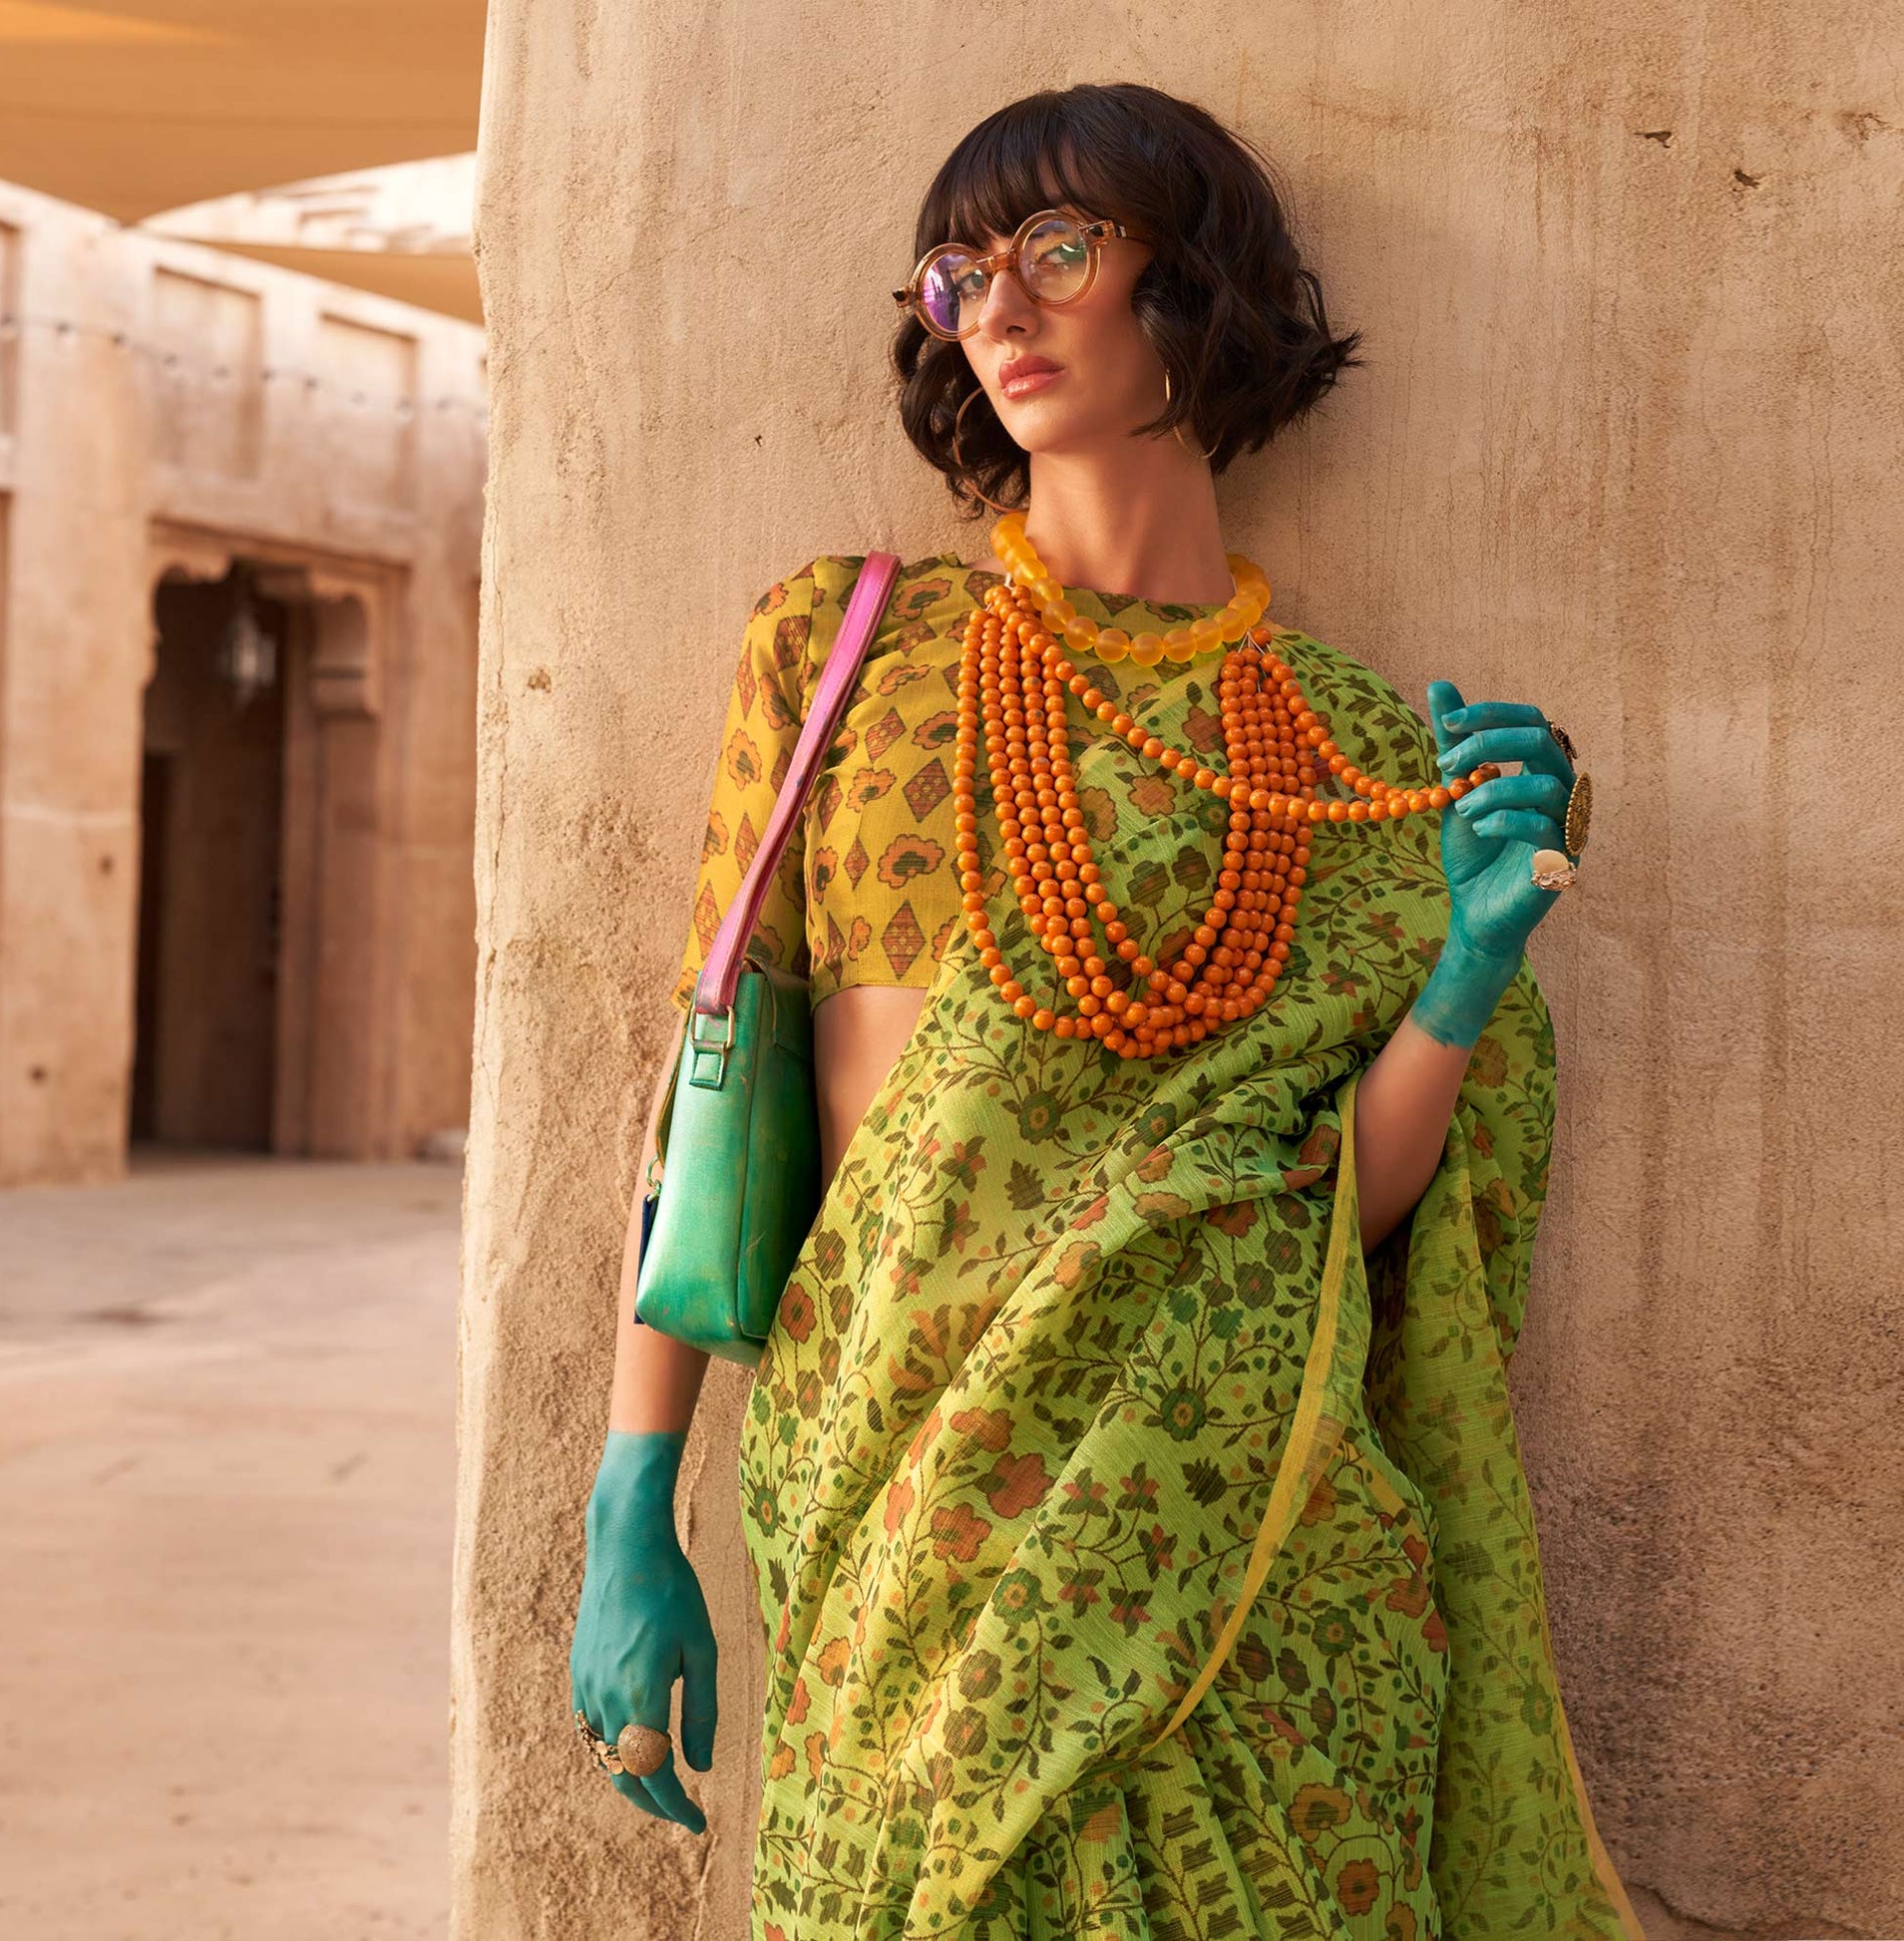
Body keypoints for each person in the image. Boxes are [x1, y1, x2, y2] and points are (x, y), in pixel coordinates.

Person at [571, 81, 1642, 1941]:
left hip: (1258, 1563)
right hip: (898, 1528)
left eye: (1053, 250)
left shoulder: (1350, 748)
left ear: (1191, 282)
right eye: (955, 275)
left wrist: (1469, 964)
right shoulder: (850, 654)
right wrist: (627, 1503)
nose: (993, 306)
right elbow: (713, 1087)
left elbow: (1343, 1225)